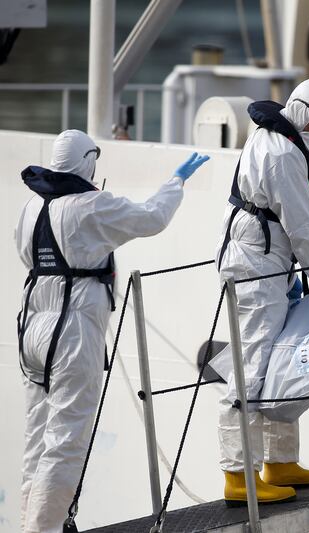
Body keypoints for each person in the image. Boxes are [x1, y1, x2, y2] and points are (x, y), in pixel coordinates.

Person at [16, 129, 208, 533]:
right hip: (71, 327)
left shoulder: (32, 207)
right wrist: (176, 182)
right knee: (66, 438)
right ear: (88, 162)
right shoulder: (92, 205)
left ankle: (31, 523)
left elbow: (26, 253)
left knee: (37, 433)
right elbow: (151, 218)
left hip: (31, 325)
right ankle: (42, 529)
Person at [215, 77, 309, 505]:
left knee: (281, 359)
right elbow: (302, 224)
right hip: (257, 265)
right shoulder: (283, 154)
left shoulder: (278, 136)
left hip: (269, 259)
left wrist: (289, 274)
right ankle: (239, 474)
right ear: (305, 112)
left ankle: (280, 461)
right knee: (252, 366)